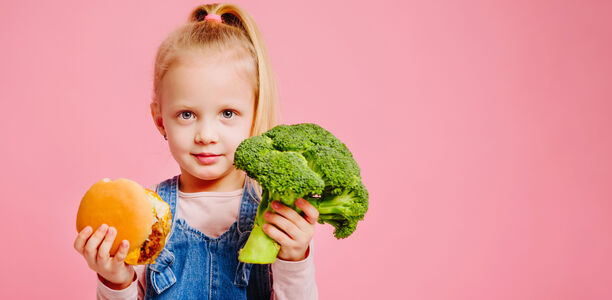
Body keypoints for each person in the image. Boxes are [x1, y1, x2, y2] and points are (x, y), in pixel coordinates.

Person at [73, 3, 319, 299]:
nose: (205, 135)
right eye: (187, 114)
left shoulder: (274, 215)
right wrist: (115, 280)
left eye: (227, 113)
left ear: (255, 116)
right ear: (160, 119)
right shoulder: (144, 215)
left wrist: (295, 260)